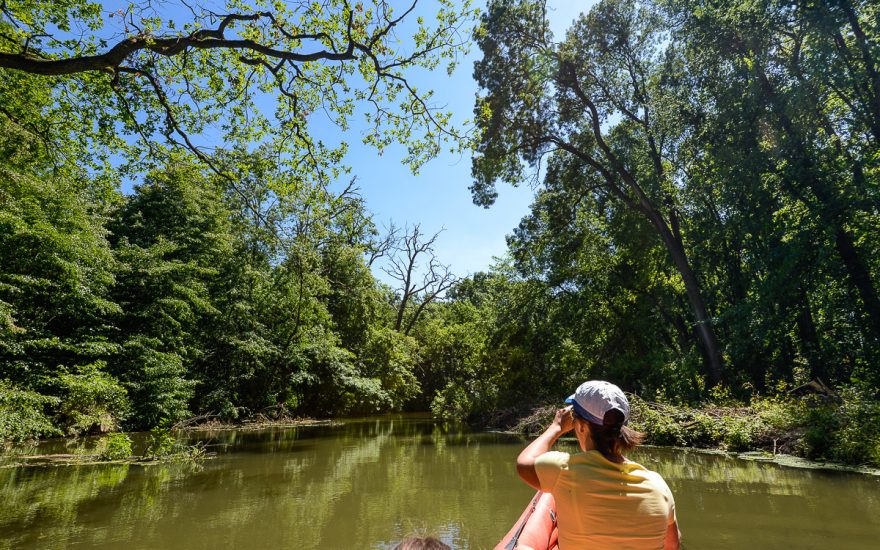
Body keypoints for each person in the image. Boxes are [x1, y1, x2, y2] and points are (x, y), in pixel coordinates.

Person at [516, 380, 681, 550]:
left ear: (580, 426)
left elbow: (523, 463)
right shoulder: (659, 486)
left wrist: (556, 427)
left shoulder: (562, 471)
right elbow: (672, 544)